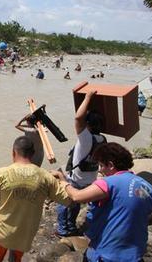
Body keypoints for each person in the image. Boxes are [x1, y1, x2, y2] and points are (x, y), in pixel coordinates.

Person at [52, 142, 152, 262]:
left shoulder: (108, 183)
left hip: (105, 255)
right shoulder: (146, 185)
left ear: (110, 165)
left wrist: (63, 180)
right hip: (134, 257)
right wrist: (140, 222)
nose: (100, 170)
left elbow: (77, 196)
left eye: (101, 165)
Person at [0, 136, 71, 262]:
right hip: (24, 236)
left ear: (13, 152)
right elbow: (68, 200)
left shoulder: (2, 173)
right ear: (33, 154)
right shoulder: (46, 177)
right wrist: (61, 177)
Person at [57, 90, 106, 237]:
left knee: (64, 202)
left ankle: (62, 229)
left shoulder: (85, 137)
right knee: (77, 203)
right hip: (90, 180)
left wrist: (88, 97)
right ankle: (71, 226)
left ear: (88, 124)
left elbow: (78, 118)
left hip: (76, 179)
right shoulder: (103, 139)